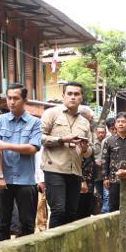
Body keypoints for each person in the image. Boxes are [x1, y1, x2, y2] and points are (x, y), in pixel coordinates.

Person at [0, 83, 42, 243]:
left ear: (24, 100)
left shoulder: (35, 122)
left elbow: (32, 148)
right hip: (2, 179)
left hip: (26, 180)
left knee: (27, 224)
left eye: (16, 98)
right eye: (9, 98)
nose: (11, 102)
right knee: (2, 224)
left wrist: (5, 145)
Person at [40, 82, 92, 228]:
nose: (73, 97)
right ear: (63, 96)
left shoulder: (85, 122)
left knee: (71, 213)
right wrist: (62, 140)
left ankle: (67, 250)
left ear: (81, 98)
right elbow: (39, 138)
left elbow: (89, 152)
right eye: (69, 94)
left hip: (75, 171)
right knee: (58, 210)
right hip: (54, 168)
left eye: (76, 94)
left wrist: (84, 148)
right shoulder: (51, 113)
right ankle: (53, 249)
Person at [92, 124, 108, 213]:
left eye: (103, 132)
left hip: (106, 174)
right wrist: (94, 160)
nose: (101, 134)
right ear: (96, 133)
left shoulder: (108, 141)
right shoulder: (92, 143)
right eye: (99, 132)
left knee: (107, 195)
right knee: (99, 194)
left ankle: (105, 212)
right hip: (97, 174)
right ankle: (101, 211)